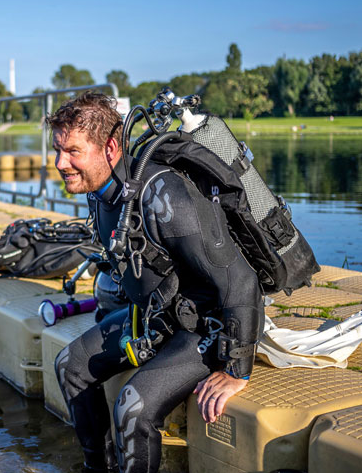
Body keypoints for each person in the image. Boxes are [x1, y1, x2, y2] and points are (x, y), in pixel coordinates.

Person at [47, 92, 263, 473]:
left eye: (72, 152)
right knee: (70, 366)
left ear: (110, 147)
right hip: (156, 319)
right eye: (58, 150)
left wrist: (236, 369)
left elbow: (241, 280)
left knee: (133, 406)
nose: (60, 163)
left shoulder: (164, 195)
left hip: (205, 326)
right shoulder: (100, 194)